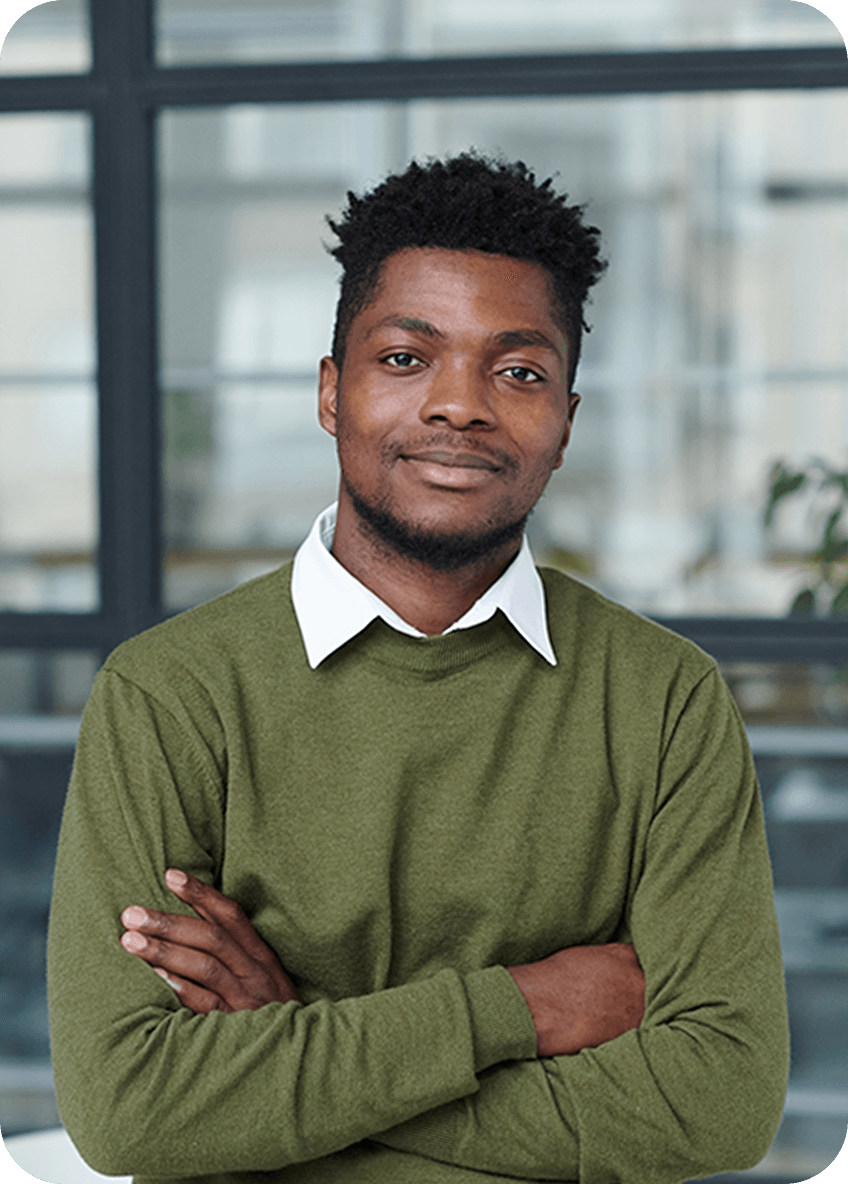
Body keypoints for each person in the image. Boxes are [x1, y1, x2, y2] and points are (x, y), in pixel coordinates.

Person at [47, 153, 789, 1184]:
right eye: (405, 358)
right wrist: (517, 1007)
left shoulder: (664, 699)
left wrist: (298, 1039)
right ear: (327, 390)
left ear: (565, 422)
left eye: (518, 370)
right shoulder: (169, 694)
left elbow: (716, 1102)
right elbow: (130, 1109)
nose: (460, 406)